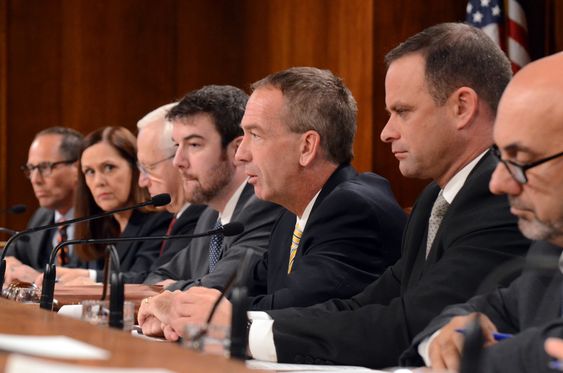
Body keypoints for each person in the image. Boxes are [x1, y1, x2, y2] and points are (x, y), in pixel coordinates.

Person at [147, 23, 533, 366]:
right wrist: (220, 317)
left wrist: (237, 329)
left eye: (402, 111)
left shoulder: (496, 194)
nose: (386, 132)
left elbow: (410, 321)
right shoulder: (436, 198)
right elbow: (366, 304)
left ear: (462, 107)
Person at [139, 67, 408, 339]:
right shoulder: (291, 215)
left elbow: (298, 305)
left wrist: (190, 311)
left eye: (255, 135)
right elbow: (243, 288)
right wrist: (173, 306)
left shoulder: (352, 208)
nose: (241, 155)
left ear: (306, 147)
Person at [404, 52, 563, 373]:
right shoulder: (549, 248)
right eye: (500, 157)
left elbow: (548, 353)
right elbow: (485, 311)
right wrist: (444, 339)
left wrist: (480, 360)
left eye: (520, 161)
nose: (498, 183)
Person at [142, 85, 283, 292]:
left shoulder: (264, 207)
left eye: (194, 145)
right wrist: (171, 288)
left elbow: (218, 289)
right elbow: (158, 277)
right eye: (176, 146)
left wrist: (171, 290)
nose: (178, 161)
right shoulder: (209, 217)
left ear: (236, 149)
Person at [44, 126, 171, 284]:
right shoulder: (100, 225)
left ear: (136, 169)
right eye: (90, 172)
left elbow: (145, 279)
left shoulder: (159, 221)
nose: (99, 182)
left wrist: (91, 278)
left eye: (109, 168)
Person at [135, 103, 206, 281]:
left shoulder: (202, 216)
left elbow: (160, 283)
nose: (142, 181)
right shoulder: (179, 215)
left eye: (148, 167)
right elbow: (159, 277)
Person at [5, 127, 84, 284]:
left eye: (44, 167)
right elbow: (11, 253)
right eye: (31, 169)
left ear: (77, 168)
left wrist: (37, 279)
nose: (35, 179)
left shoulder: (103, 218)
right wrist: (8, 262)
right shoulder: (42, 215)